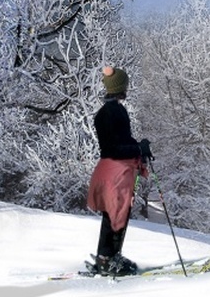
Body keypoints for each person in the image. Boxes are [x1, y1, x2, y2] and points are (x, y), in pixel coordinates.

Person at [86, 66, 153, 276]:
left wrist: (138, 146)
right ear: (121, 87)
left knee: (112, 213)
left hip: (108, 170)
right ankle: (108, 260)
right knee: (117, 214)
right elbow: (113, 148)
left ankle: (107, 257)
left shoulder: (107, 111)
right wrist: (137, 148)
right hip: (116, 171)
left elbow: (120, 142)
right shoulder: (115, 112)